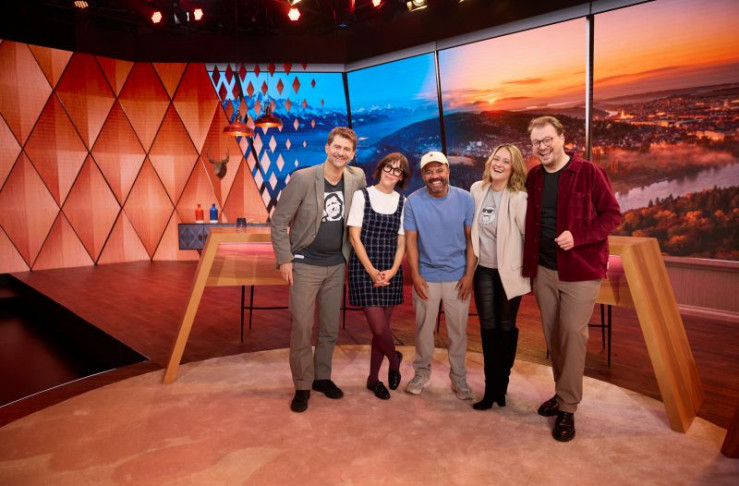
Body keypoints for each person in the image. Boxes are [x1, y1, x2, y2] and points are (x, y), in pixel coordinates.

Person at [522, 116, 621, 441]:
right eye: (536, 142)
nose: (542, 147)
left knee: (572, 335)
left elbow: (612, 215)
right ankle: (561, 392)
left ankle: (568, 408)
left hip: (580, 271)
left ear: (562, 138)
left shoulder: (589, 172)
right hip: (544, 271)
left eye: (547, 139)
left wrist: (578, 236)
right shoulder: (534, 177)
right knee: (554, 337)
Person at [271, 126, 367, 413]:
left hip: (336, 264)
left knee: (329, 327)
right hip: (304, 264)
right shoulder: (303, 178)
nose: (341, 153)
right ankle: (302, 385)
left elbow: (361, 216)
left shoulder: (357, 178)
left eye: (347, 149)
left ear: (352, 154)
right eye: (337, 147)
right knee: (302, 327)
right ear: (327, 148)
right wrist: (285, 259)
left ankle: (321, 377)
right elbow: (279, 221)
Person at [404, 151, 476, 400]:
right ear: (423, 175)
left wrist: (469, 275)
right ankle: (421, 374)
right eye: (429, 171)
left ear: (448, 171)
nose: (434, 176)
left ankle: (459, 378)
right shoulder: (413, 201)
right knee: (424, 331)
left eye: (439, 170)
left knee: (458, 332)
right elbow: (411, 241)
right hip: (426, 276)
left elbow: (471, 240)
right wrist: (415, 275)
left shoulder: (465, 199)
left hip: (458, 277)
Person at [469, 144, 530, 410]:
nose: (499, 164)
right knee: (488, 328)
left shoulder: (518, 197)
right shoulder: (477, 189)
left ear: (513, 168)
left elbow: (528, 236)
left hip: (509, 272)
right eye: (497, 158)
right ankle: (489, 390)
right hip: (483, 270)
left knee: (506, 326)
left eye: (506, 161)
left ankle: (501, 386)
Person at [347, 153, 410, 400]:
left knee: (380, 332)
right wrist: (372, 271)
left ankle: (373, 379)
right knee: (381, 329)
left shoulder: (403, 202)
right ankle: (394, 360)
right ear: (381, 168)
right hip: (364, 268)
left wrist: (392, 271)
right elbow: (354, 237)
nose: (391, 173)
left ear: (402, 177)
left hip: (390, 270)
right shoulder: (362, 195)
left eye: (397, 170)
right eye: (388, 167)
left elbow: (402, 242)